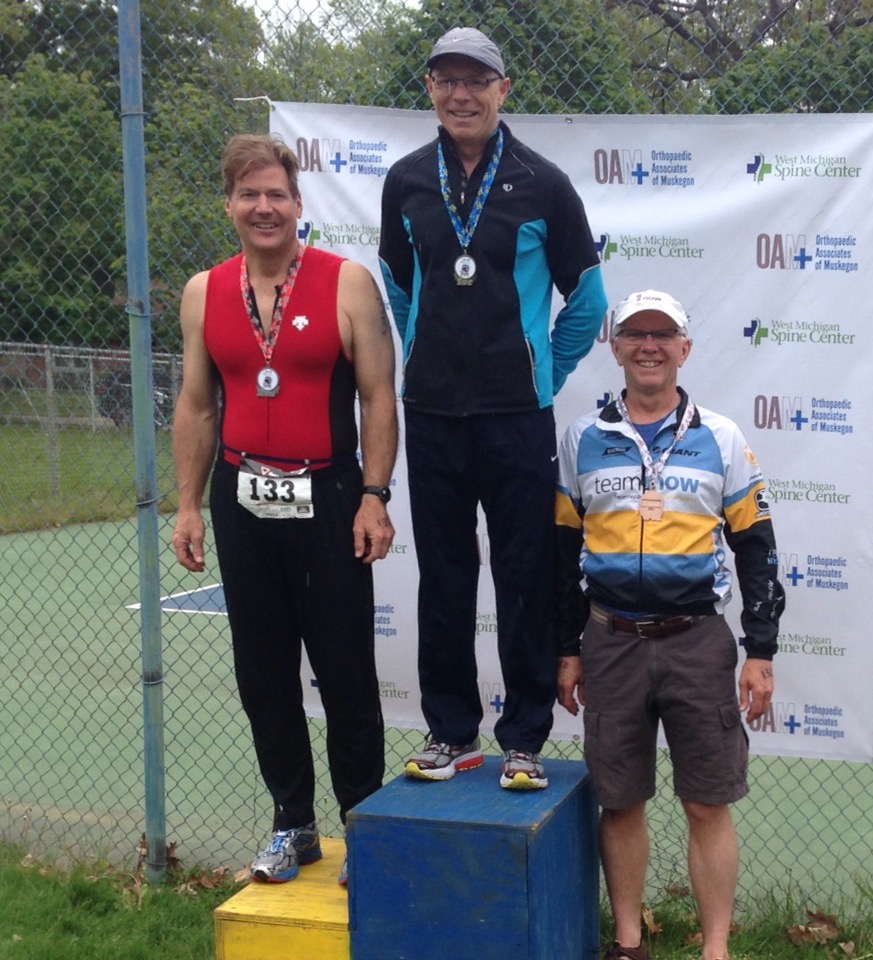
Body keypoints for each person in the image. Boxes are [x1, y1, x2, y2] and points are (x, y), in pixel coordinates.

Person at [378, 26, 607, 790]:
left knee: (524, 572)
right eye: (446, 80)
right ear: (430, 89)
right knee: (443, 575)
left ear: (502, 90)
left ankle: (524, 738)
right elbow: (400, 286)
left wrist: (541, 373)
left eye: (476, 80)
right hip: (433, 414)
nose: (461, 94)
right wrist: (426, 349)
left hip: (517, 416)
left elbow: (588, 299)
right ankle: (451, 733)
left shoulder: (543, 183)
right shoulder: (407, 181)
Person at [171, 134, 398, 886]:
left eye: (276, 194)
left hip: (328, 498)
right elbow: (197, 405)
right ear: (229, 206)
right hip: (241, 499)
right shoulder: (205, 291)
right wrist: (187, 505)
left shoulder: (346, 283)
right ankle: (291, 824)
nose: (263, 208)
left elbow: (378, 397)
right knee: (262, 673)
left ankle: (361, 823)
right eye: (249, 195)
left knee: (345, 672)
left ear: (299, 204)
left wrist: (373, 496)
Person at [555, 289, 785, 960]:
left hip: (697, 642)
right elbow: (559, 553)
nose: (648, 346)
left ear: (684, 349)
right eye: (635, 334)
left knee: (707, 804)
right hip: (610, 641)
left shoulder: (721, 437)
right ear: (615, 347)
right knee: (620, 801)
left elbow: (757, 548)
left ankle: (715, 950)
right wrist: (567, 648)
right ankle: (629, 944)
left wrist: (760, 651)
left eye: (662, 335)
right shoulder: (582, 438)